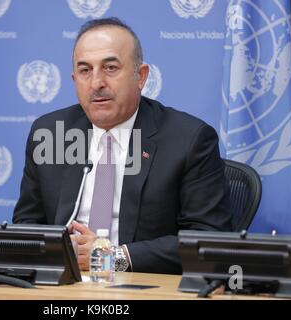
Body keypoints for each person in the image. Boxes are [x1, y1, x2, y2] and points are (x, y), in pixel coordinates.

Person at [13, 17, 232, 274]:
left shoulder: (189, 139)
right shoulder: (50, 133)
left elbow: (208, 241)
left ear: (141, 76)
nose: (96, 83)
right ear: (74, 79)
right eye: (85, 71)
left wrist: (111, 258)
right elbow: (27, 225)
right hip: (64, 283)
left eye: (110, 68)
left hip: (141, 286)